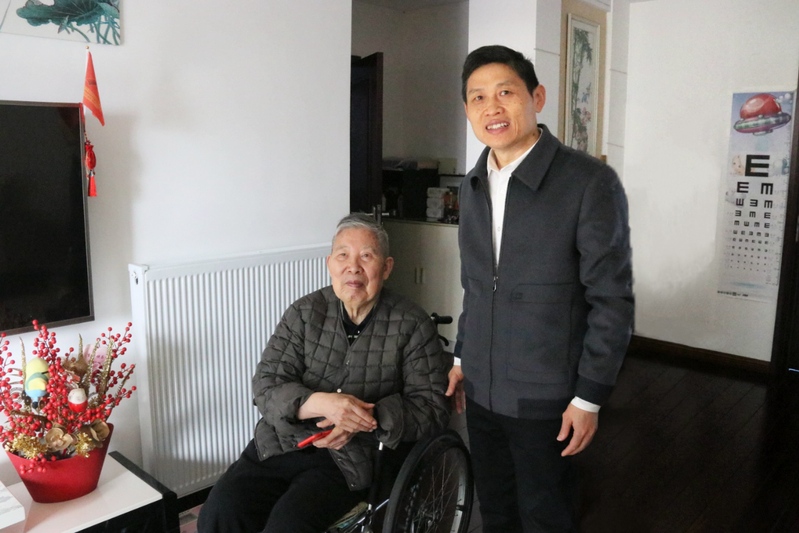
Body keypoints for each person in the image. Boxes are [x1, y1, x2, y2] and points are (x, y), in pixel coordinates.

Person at [446, 45, 634, 532]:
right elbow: (475, 285)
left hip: (547, 396)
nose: (492, 107)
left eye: (505, 92)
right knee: (496, 509)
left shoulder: (588, 182)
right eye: (478, 97)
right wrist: (463, 357)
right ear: (467, 110)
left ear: (537, 97)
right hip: (481, 391)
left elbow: (611, 301)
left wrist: (588, 398)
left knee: (546, 515)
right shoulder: (472, 185)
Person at [198, 213, 451, 533]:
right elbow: (266, 384)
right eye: (343, 255)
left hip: (351, 459)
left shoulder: (412, 323)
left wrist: (365, 416)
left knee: (287, 525)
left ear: (386, 267)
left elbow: (431, 407)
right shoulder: (304, 313)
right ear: (330, 263)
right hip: (281, 442)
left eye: (366, 256)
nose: (353, 267)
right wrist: (320, 403)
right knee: (220, 513)